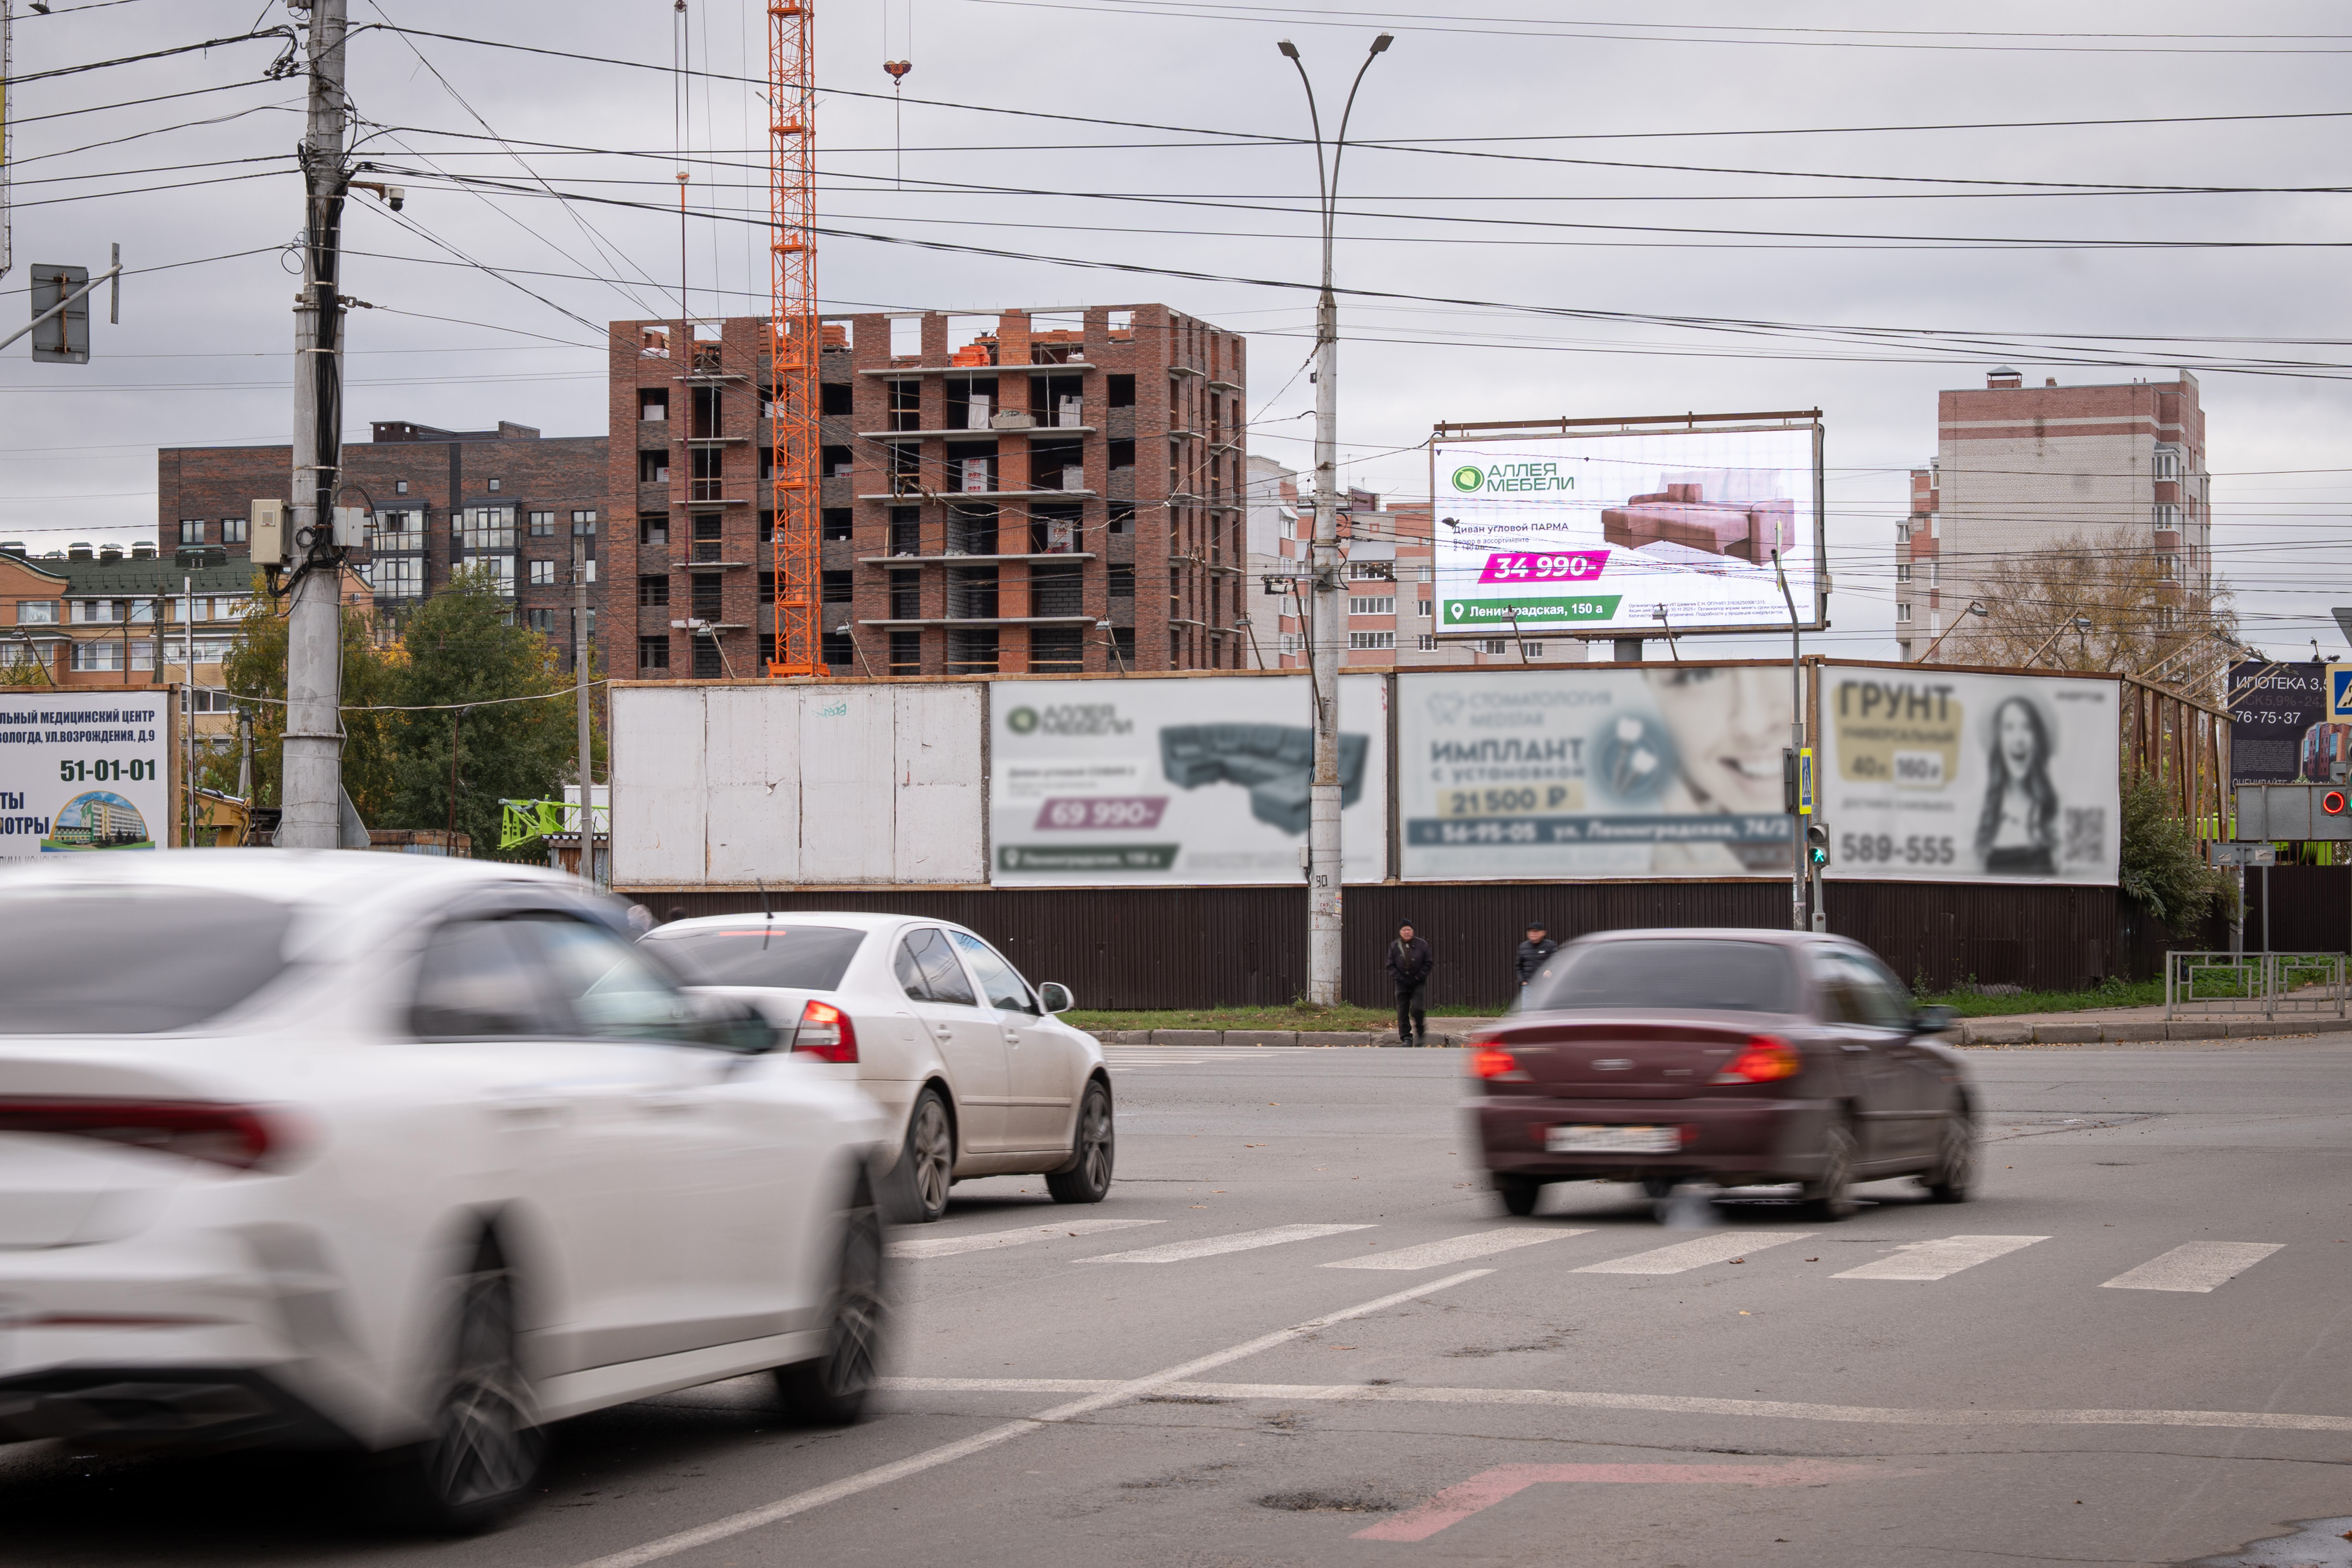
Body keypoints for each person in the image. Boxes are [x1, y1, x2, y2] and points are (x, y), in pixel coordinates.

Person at [1975, 696, 2060, 876]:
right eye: (2009, 728)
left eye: (2027, 727)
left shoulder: (2055, 809)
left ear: (2037, 740)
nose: (2019, 739)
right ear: (1998, 741)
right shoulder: (1980, 810)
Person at [1385, 921, 1434, 1046]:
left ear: (1413, 931)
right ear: (1400, 932)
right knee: (1402, 1011)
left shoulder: (1422, 944)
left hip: (1418, 982)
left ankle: (1421, 1032)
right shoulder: (1395, 946)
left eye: (1409, 929)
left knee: (1417, 1009)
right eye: (1404, 930)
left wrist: (1417, 978)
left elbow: (1428, 963)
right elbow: (1390, 965)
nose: (1407, 932)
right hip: (1401, 983)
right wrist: (1401, 979)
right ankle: (1407, 1038)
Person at [1515, 920, 1557, 990]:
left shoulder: (1550, 945)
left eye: (1536, 931)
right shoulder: (1523, 947)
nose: (1533, 934)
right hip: (1528, 987)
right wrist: (1522, 981)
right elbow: (1519, 967)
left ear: (1544, 933)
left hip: (1545, 986)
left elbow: (1556, 961)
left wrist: (1550, 970)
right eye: (1531, 931)